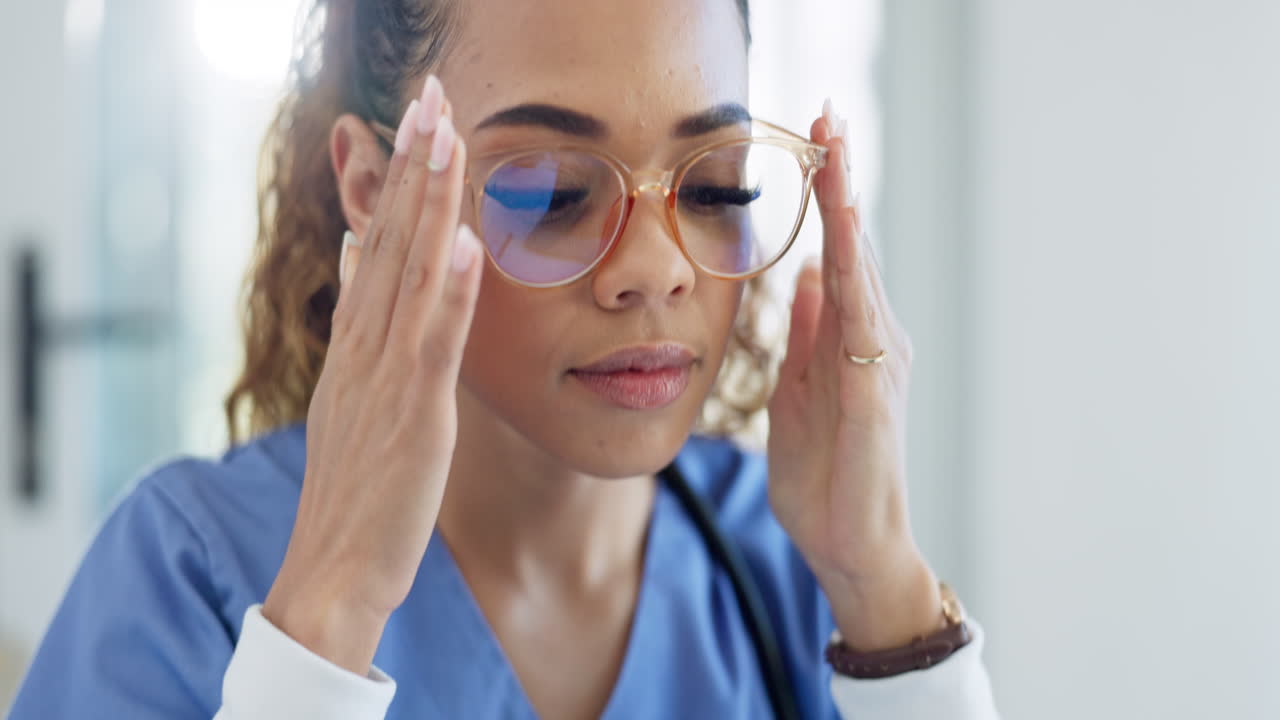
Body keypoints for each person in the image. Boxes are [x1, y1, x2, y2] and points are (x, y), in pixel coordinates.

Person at [9, 0, 1000, 717]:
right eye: (550, 192)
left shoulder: (799, 576)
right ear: (368, 184)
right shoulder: (189, 574)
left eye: (715, 187)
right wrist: (329, 612)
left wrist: (882, 596)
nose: (653, 272)